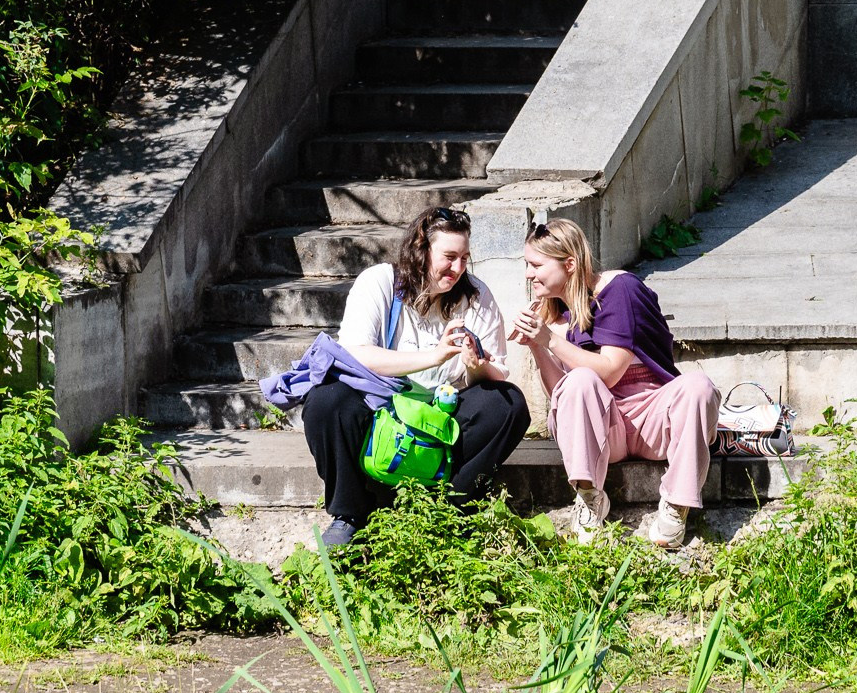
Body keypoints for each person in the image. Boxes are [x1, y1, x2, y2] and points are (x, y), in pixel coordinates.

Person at [299, 205, 530, 551]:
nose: (458, 268)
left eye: (464, 258)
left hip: (443, 416)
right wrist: (434, 356)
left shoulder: (477, 296)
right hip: (383, 410)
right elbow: (355, 354)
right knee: (325, 400)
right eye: (449, 257)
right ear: (422, 250)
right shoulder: (379, 282)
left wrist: (475, 364)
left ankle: (450, 507)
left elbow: (497, 372)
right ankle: (350, 513)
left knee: (509, 405)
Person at [510, 219, 718, 550]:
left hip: (652, 417)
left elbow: (611, 370)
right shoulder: (555, 318)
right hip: (607, 429)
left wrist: (549, 339)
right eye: (527, 265)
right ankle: (589, 498)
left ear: (570, 264)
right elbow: (562, 396)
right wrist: (538, 345)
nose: (528, 274)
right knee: (579, 380)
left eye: (536, 265)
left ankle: (677, 505)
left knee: (698, 386)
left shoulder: (620, 289)